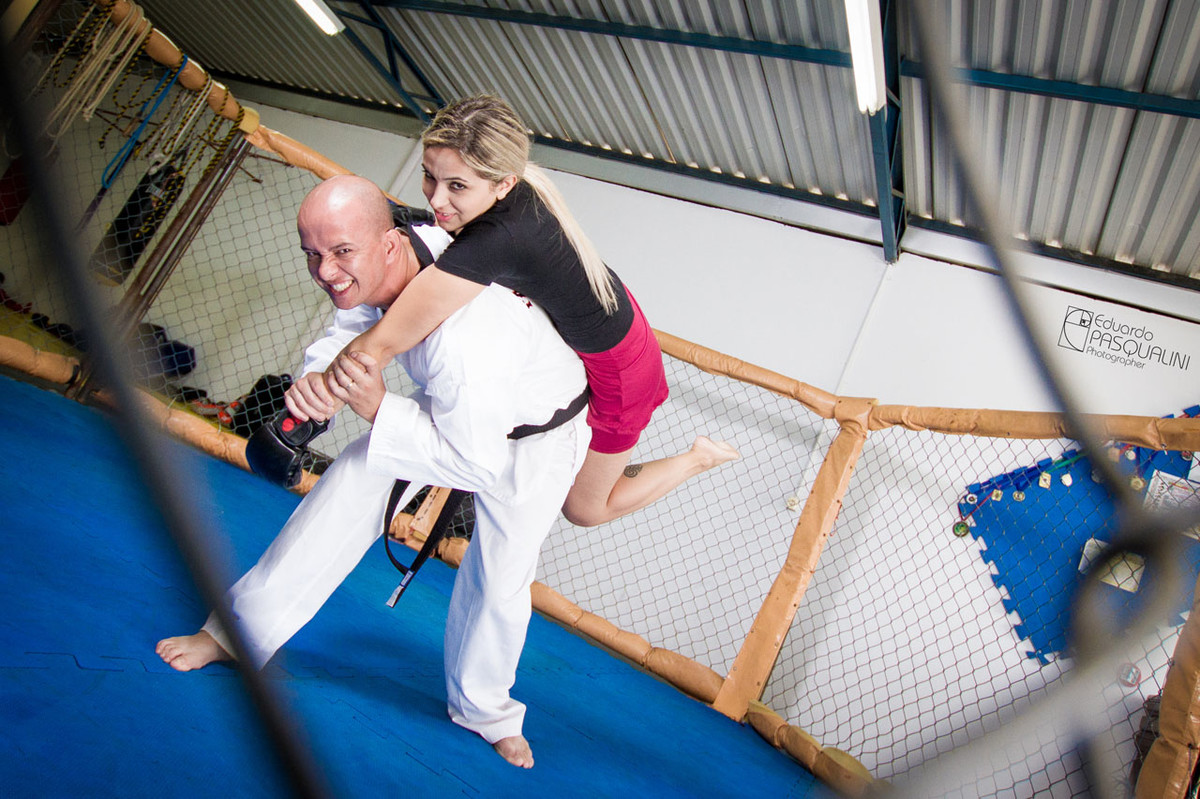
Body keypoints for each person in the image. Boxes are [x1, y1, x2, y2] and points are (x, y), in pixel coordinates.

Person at [156, 174, 593, 769]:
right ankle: (233, 634)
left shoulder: (466, 339)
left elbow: (476, 461)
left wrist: (378, 408)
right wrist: (319, 380)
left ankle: (485, 711)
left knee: (501, 572)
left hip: (539, 434)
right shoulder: (390, 255)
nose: (327, 271)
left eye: (340, 253)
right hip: (460, 406)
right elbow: (350, 325)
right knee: (353, 480)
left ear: (387, 245)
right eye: (312, 254)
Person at [289, 94, 739, 529]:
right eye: (430, 176)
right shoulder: (503, 199)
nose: (437, 200)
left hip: (623, 367)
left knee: (585, 509)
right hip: (603, 324)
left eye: (457, 186)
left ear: (503, 184)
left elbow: (383, 341)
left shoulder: (499, 238)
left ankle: (697, 457)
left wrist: (316, 400)